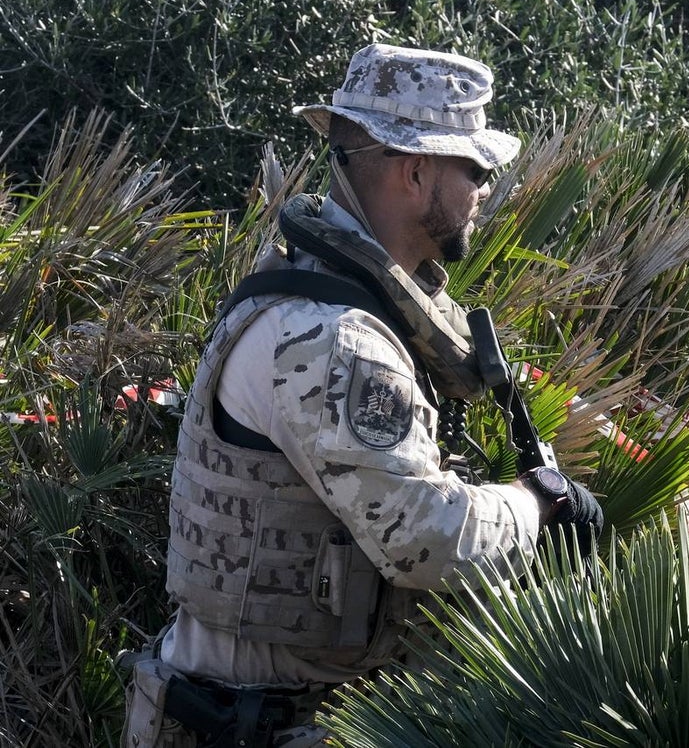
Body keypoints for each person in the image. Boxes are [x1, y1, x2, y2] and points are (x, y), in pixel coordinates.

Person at [120, 43, 603, 748]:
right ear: (415, 171)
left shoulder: (333, 300)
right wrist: (536, 505)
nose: (485, 191)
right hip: (245, 721)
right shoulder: (335, 336)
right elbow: (419, 536)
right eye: (475, 170)